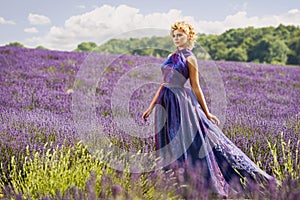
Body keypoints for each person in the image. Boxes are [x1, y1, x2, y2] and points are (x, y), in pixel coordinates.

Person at [142, 21, 275, 198]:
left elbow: (196, 87)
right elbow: (164, 83)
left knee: (189, 141)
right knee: (169, 142)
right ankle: (174, 181)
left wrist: (206, 112)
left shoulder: (190, 58)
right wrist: (150, 107)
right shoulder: (170, 55)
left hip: (181, 104)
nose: (176, 38)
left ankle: (198, 181)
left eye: (180, 35)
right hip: (165, 103)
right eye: (174, 35)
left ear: (189, 36)